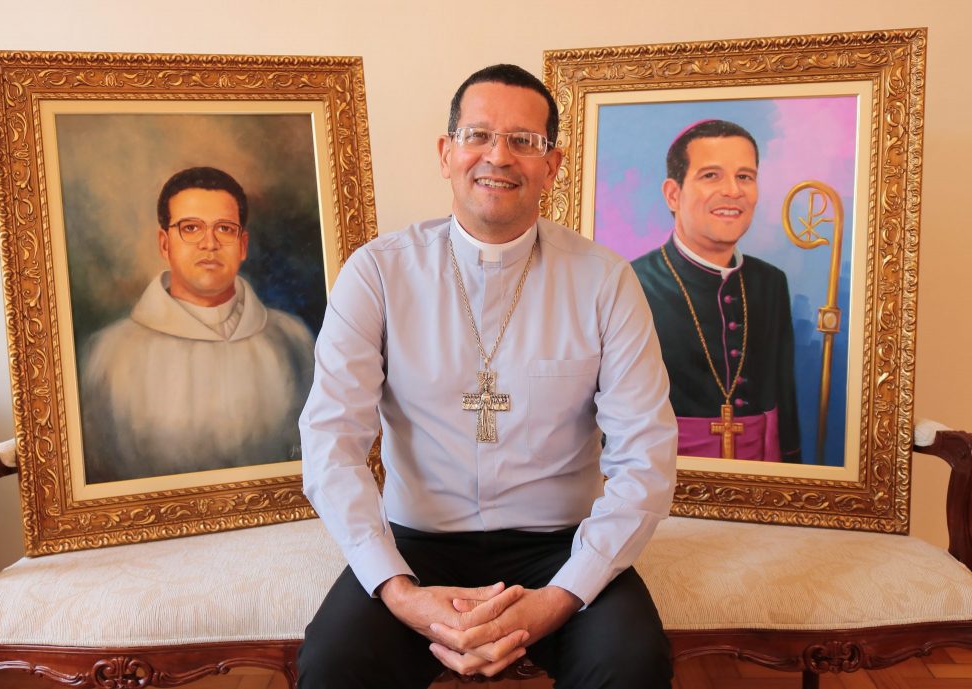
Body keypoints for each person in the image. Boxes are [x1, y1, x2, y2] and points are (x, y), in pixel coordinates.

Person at [298, 64, 677, 689]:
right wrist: (398, 591)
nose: (498, 156)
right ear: (446, 153)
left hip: (561, 545)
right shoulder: (377, 273)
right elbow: (330, 441)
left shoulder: (605, 281)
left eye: (523, 141)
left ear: (551, 166)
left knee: (630, 666)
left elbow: (647, 456)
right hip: (417, 544)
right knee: (335, 666)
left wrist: (560, 597)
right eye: (477, 135)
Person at [80, 166, 315, 483]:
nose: (209, 243)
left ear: (242, 245)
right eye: (191, 228)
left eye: (225, 229)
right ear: (164, 244)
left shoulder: (292, 340)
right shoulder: (108, 355)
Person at [631, 120, 801, 462]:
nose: (733, 191)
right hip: (664, 471)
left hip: (762, 471)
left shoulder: (770, 282)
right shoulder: (632, 282)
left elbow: (784, 396)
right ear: (673, 194)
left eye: (745, 176)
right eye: (711, 175)